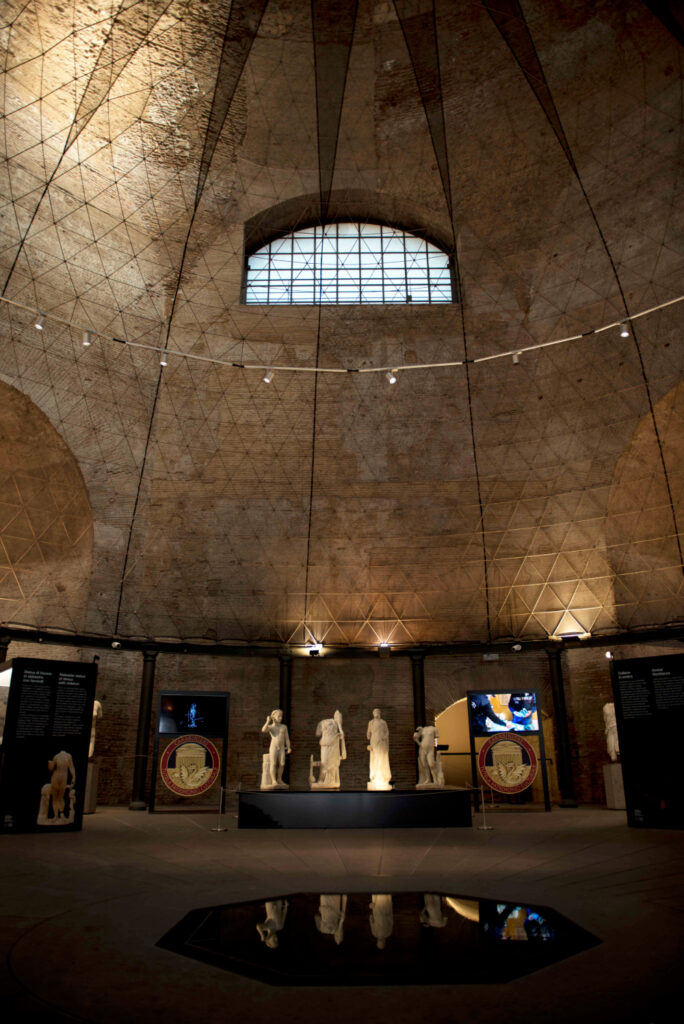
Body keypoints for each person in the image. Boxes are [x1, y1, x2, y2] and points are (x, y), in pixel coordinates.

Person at [311, 710, 346, 788]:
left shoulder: (327, 723)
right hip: (326, 745)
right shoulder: (326, 722)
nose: (341, 720)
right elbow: (318, 733)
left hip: (332, 746)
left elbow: (317, 734)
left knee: (330, 762)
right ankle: (322, 779)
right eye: (340, 718)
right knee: (325, 762)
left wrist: (339, 728)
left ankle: (328, 780)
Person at [261, 709, 291, 788]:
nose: (280, 718)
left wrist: (289, 747)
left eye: (281, 716)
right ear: (273, 717)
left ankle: (279, 779)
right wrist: (268, 721)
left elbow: (287, 738)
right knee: (273, 763)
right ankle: (273, 780)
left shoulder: (284, 727)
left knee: (282, 763)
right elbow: (263, 730)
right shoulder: (271, 727)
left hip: (281, 748)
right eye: (278, 716)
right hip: (274, 747)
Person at [366, 708, 391, 790]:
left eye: (377, 712)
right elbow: (368, 733)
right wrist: (368, 736)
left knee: (381, 758)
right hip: (374, 742)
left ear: (379, 714)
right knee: (374, 759)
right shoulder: (371, 722)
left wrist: (384, 737)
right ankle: (375, 776)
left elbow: (387, 732)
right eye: (375, 713)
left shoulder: (383, 722)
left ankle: (382, 777)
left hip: (381, 742)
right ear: (373, 714)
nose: (376, 714)